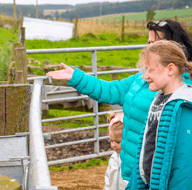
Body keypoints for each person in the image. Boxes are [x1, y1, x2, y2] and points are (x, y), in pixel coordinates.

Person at [46, 19, 192, 181]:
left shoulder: (180, 94)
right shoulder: (143, 78)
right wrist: (76, 77)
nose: (149, 48)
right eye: (148, 42)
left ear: (173, 49)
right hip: (131, 169)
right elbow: (112, 90)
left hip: (152, 175)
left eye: (156, 43)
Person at [126, 40, 192, 189]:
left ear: (170, 69)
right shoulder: (157, 102)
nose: (145, 76)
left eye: (150, 70)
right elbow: (144, 150)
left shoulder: (184, 107)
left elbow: (185, 162)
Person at [104, 112, 128, 190]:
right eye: (111, 141)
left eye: (118, 142)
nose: (113, 145)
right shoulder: (113, 158)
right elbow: (108, 181)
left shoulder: (132, 160)